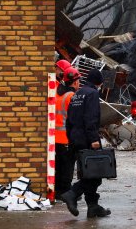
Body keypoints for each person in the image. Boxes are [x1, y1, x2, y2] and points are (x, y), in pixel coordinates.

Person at [61, 69, 111, 218]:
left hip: (75, 138)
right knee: (96, 173)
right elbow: (91, 118)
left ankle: (93, 206)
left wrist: (70, 138)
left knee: (88, 172)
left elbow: (69, 119)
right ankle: (72, 193)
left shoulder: (77, 94)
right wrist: (94, 139)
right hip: (87, 139)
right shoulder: (92, 94)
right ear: (98, 82)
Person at [55, 67, 80, 198]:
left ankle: (59, 190)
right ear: (75, 82)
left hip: (57, 138)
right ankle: (65, 192)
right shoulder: (71, 96)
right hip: (66, 138)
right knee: (67, 167)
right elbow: (75, 119)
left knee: (59, 166)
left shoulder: (60, 95)